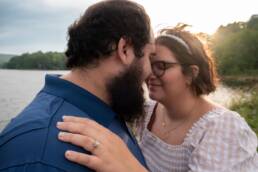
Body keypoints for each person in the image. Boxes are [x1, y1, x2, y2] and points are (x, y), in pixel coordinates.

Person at [56, 25, 258, 172]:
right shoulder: (146, 112)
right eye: (148, 64)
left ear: (191, 73)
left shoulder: (222, 128)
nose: (150, 74)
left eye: (161, 66)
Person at [0, 0, 155, 171]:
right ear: (124, 49)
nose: (151, 71)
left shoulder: (108, 107)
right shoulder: (39, 155)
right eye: (150, 56)